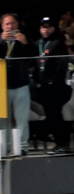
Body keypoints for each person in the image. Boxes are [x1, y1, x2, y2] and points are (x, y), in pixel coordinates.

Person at [0, 14, 36, 153]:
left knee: (21, 119)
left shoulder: (24, 37)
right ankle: (6, 147)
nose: (10, 27)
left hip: (21, 84)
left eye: (13, 24)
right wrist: (0, 42)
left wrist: (25, 43)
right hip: (2, 86)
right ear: (2, 26)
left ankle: (22, 147)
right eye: (7, 24)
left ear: (18, 24)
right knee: (3, 120)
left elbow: (33, 58)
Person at [33, 16, 71, 153]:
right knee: (50, 115)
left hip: (56, 86)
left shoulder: (58, 42)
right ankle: (58, 141)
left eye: (49, 27)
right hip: (42, 86)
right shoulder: (37, 44)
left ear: (53, 28)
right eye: (43, 27)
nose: (46, 30)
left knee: (56, 114)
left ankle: (63, 143)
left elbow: (62, 64)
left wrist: (53, 80)